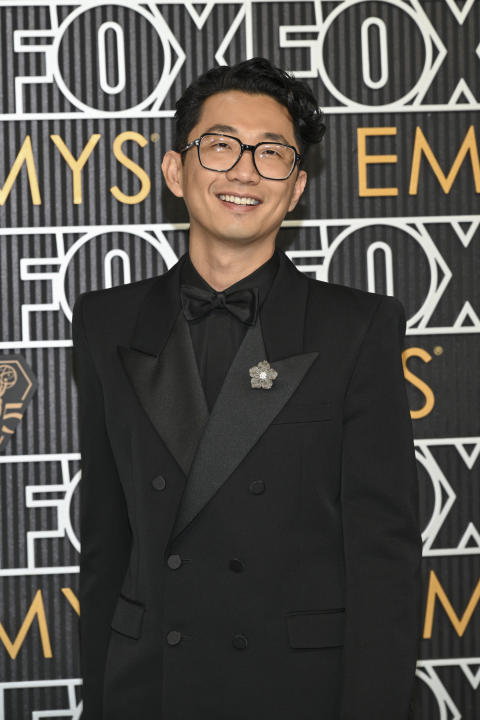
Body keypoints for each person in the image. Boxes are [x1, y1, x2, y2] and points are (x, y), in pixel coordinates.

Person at [72, 57, 422, 720]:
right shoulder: (105, 322)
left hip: (299, 692)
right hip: (150, 690)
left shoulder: (358, 328)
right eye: (221, 145)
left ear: (295, 190)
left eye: (272, 154)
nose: (243, 170)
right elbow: (106, 542)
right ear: (176, 171)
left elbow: (385, 559)